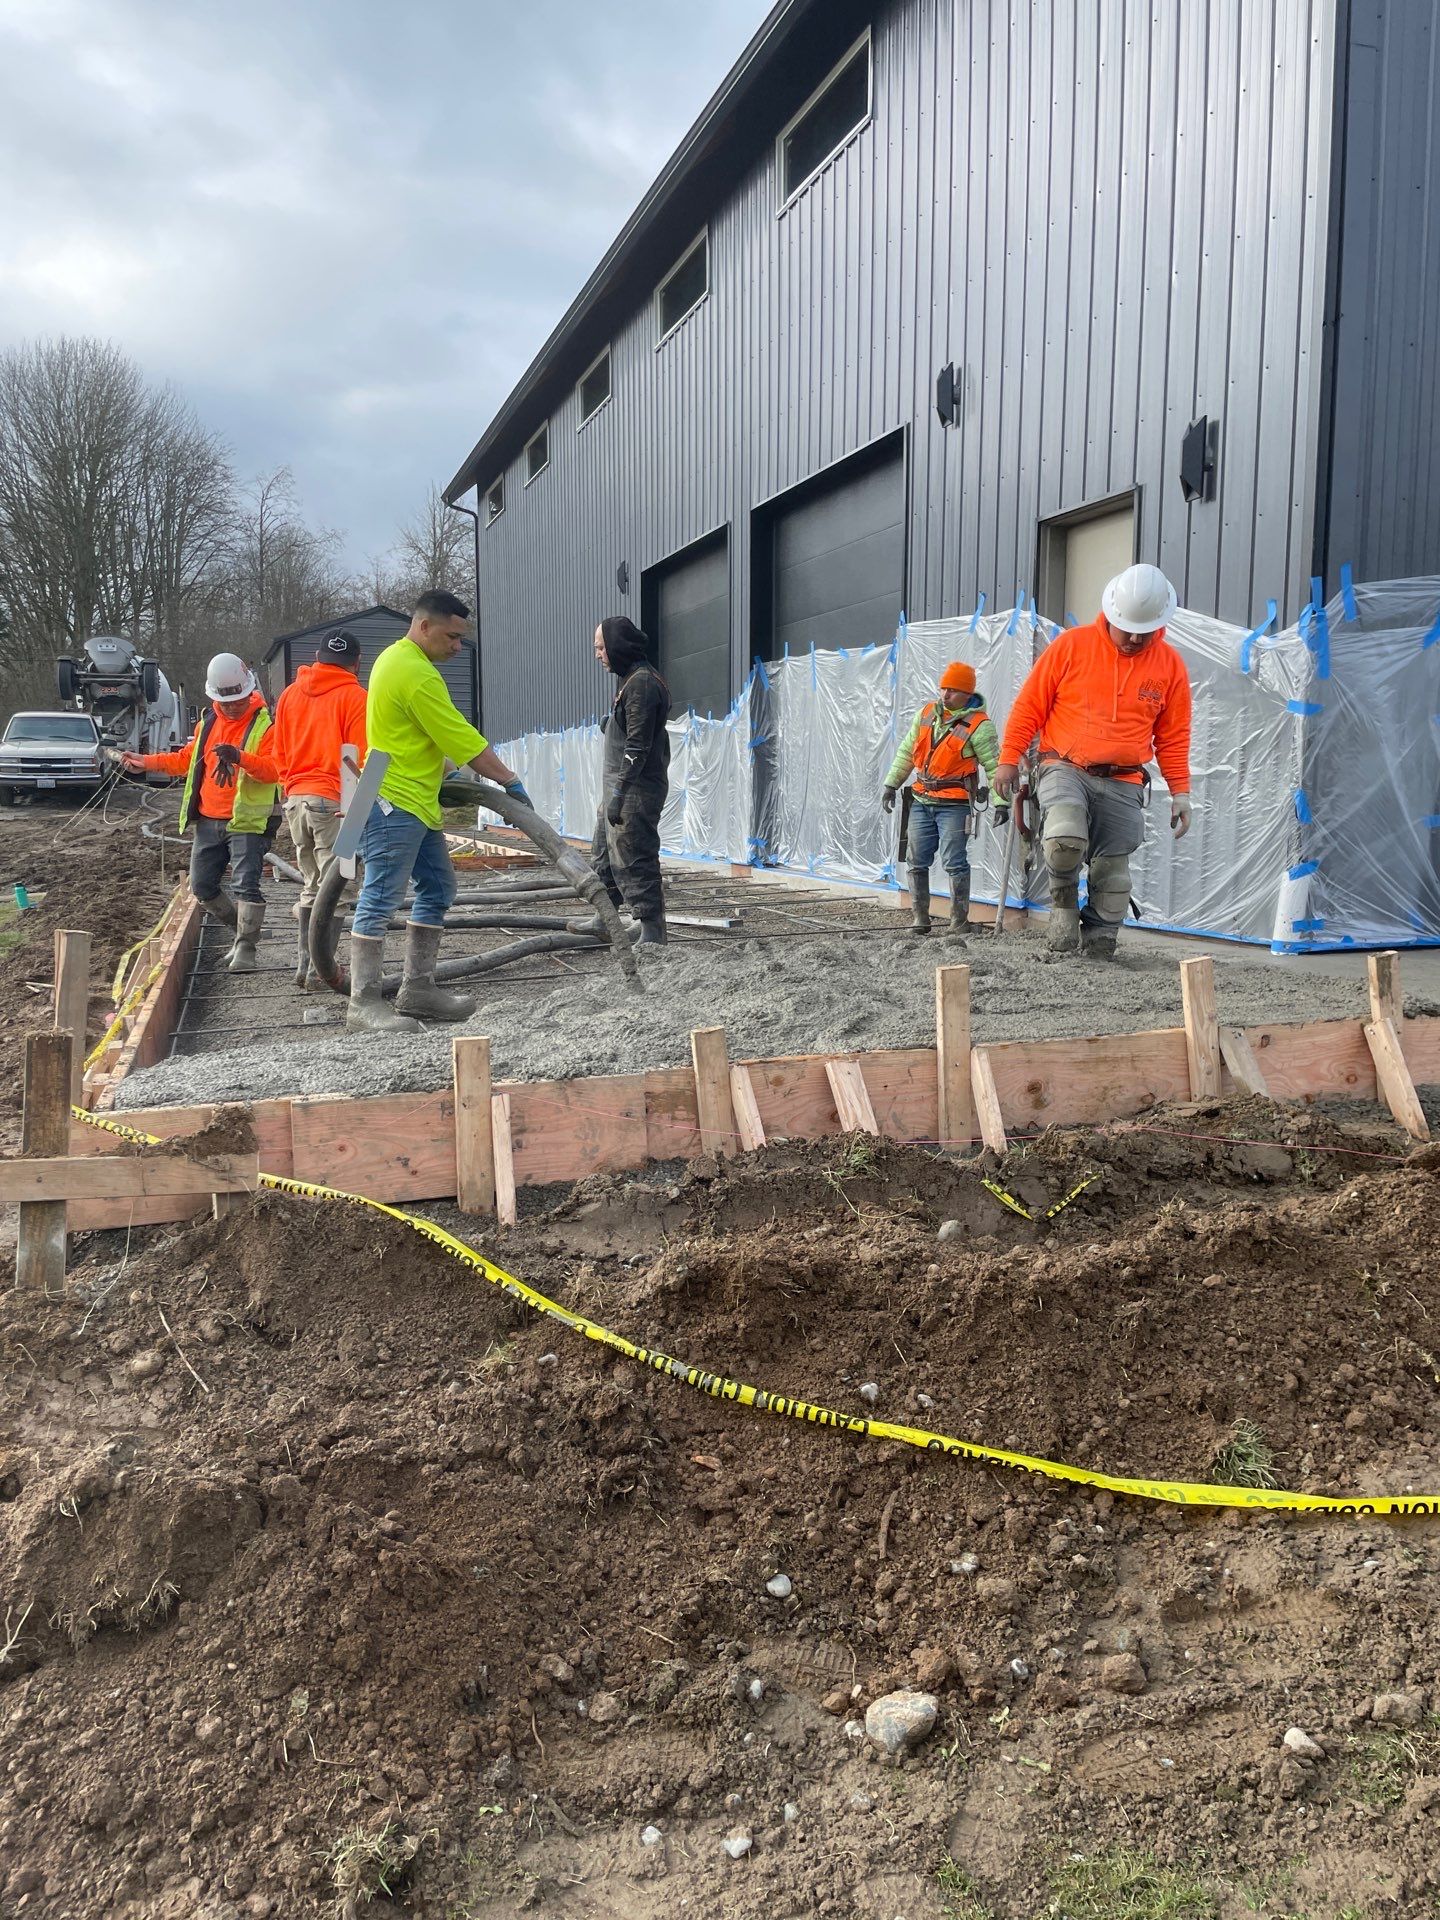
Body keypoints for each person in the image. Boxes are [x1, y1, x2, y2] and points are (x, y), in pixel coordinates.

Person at [347, 589, 531, 1032]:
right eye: (451, 636)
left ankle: (418, 989)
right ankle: (363, 1002)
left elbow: (416, 735)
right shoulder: (417, 674)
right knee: (380, 897)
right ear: (424, 625)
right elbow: (462, 739)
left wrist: (444, 774)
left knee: (437, 887)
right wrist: (509, 782)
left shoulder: (392, 659)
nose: (457, 646)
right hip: (395, 802)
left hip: (415, 799)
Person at [993, 563, 1193, 959]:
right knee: (1065, 838)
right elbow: (1030, 705)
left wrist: (1181, 792)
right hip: (1065, 766)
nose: (1136, 637)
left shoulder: (1169, 667)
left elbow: (1173, 737)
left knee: (1115, 877)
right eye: (1128, 628)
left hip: (1125, 779)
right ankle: (1063, 907)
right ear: (1111, 613)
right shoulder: (1071, 647)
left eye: (1145, 630)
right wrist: (1008, 757)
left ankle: (1100, 939)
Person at [124, 652, 278, 972]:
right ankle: (245, 932)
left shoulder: (265, 724)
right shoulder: (208, 723)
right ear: (214, 696)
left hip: (247, 819)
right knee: (202, 886)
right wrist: (147, 762)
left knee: (245, 884)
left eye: (239, 699)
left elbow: (274, 771)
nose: (233, 706)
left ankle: (246, 949)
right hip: (209, 819)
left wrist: (239, 757)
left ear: (249, 690)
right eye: (227, 701)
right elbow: (185, 760)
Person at [238, 627, 368, 988]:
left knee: (312, 886)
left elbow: (278, 753)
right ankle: (320, 972)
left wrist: (290, 791)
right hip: (335, 803)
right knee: (338, 890)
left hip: (296, 801)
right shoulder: (356, 697)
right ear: (355, 664)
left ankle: (304, 967)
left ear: (318, 659)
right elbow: (361, 759)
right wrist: (361, 812)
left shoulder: (291, 695)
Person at [882, 660, 1000, 935]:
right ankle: (920, 919)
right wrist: (891, 784)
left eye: (953, 690)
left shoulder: (979, 726)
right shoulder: (926, 714)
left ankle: (959, 922)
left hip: (955, 805)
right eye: (944, 688)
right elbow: (906, 752)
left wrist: (1002, 802)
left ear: (968, 694)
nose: (945, 695)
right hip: (921, 799)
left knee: (954, 862)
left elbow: (994, 766)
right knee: (916, 860)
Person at [590, 617, 671, 945]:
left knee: (634, 857)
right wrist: (612, 722)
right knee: (604, 856)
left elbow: (638, 745)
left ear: (617, 646)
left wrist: (620, 794)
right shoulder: (631, 680)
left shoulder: (642, 683)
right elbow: (633, 728)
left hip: (634, 790)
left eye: (600, 647)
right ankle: (605, 920)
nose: (597, 654)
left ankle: (652, 934)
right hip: (619, 789)